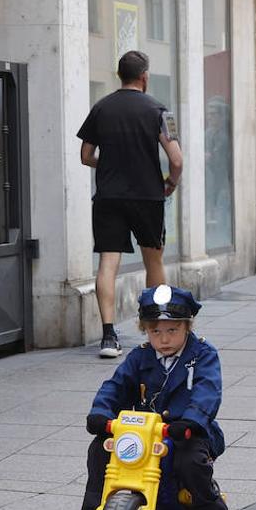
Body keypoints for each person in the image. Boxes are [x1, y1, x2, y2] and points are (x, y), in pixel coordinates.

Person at [56, 284, 244, 510]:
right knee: (101, 449)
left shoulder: (202, 354)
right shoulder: (141, 356)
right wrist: (101, 412)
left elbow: (208, 391)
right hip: (144, 432)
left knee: (190, 461)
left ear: (187, 327)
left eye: (172, 330)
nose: (164, 339)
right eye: (155, 332)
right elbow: (116, 385)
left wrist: (191, 420)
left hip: (186, 430)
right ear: (145, 330)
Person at [77, 50, 182, 359]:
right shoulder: (160, 111)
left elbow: (85, 156)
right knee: (154, 261)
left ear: (119, 75)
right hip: (148, 196)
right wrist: (170, 183)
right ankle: (155, 333)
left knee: (108, 264)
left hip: (109, 196)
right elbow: (176, 159)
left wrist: (109, 166)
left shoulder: (101, 108)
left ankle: (109, 337)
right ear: (144, 77)